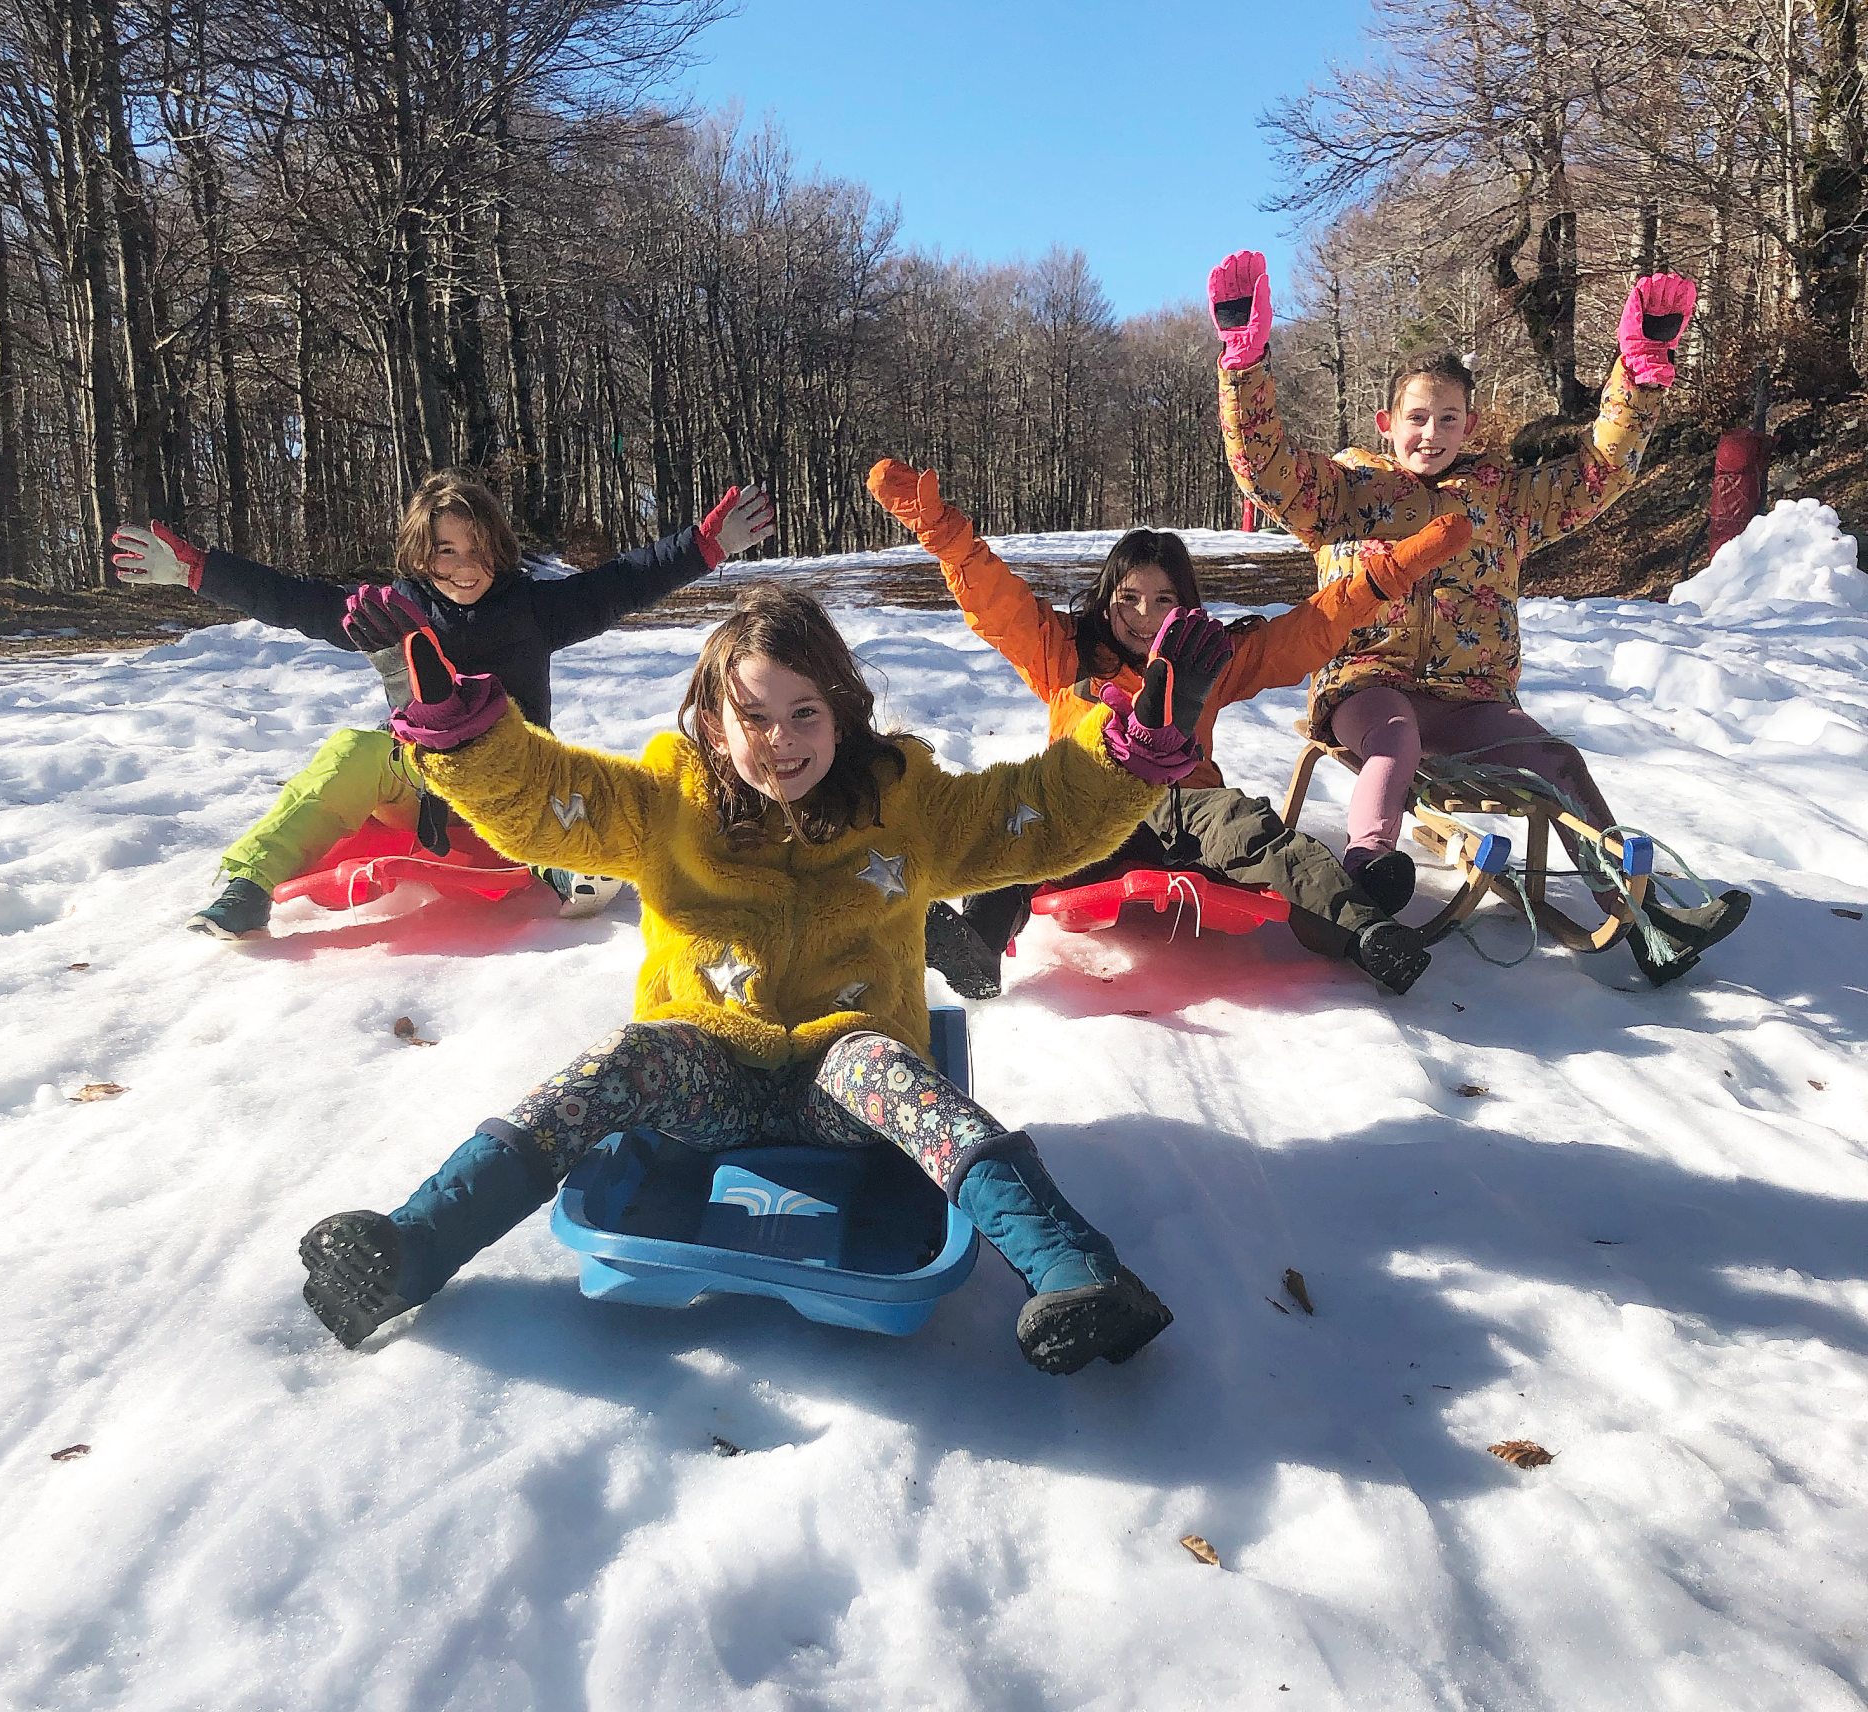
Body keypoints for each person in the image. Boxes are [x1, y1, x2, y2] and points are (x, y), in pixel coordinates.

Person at [297, 584, 1235, 1374]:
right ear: (712, 718)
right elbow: (549, 804)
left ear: (841, 712)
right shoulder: (664, 802)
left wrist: (1129, 756)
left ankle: (1077, 1271)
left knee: (909, 1084)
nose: (779, 741)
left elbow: (1033, 815)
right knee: (615, 1065)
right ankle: (415, 1244)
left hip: (844, 1071)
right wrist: (467, 742)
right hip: (708, 1065)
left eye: (804, 715)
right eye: (752, 716)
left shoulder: (907, 807)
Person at [1211, 248, 1749, 984]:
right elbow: (1261, 463)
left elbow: (1600, 470)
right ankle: (1372, 864)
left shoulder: (1504, 499)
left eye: (1449, 419)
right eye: (1417, 418)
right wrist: (1245, 362)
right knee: (1395, 733)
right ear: (1387, 421)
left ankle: (1641, 913)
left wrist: (1640, 372)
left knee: (1557, 761)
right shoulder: (1345, 493)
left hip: (1473, 700)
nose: (1431, 433)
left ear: (1470, 426)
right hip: (1369, 688)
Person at [867, 462, 1473, 997]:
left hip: (1188, 801)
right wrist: (946, 535)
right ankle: (980, 940)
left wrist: (1387, 576)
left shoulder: (1208, 657)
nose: (1144, 616)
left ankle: (1364, 932)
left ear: (1186, 605)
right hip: (1084, 806)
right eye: (1129, 598)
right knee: (1019, 828)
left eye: (1163, 600)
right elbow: (996, 602)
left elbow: (1307, 631)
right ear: (1106, 600)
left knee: (1253, 831)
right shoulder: (1064, 653)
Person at [112, 471, 774, 937]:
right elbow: (295, 600)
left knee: (554, 771)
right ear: (420, 554)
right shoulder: (390, 612)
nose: (464, 567)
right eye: (446, 551)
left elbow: (623, 580)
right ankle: (249, 886)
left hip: (513, 784)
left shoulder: (535, 608)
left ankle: (569, 871)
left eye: (478, 550)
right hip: (421, 782)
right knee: (350, 750)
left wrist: (705, 545)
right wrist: (201, 570)